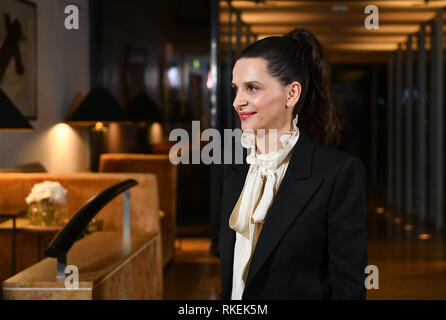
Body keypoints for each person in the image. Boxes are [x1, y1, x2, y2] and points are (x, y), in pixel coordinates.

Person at [218, 27, 368, 300]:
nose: (238, 101)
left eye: (252, 88)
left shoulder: (338, 173)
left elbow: (349, 288)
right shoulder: (235, 168)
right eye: (236, 89)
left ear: (291, 94)